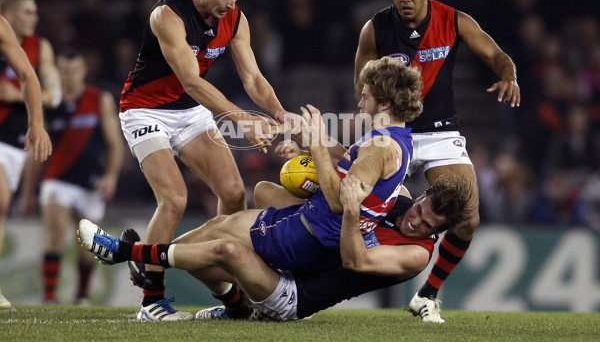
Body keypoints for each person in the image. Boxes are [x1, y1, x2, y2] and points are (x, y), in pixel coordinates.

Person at [88, 57, 469, 320]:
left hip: (310, 234)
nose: (360, 100)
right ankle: (173, 278)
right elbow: (349, 168)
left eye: (366, 95)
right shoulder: (393, 140)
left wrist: (317, 141)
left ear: (383, 100)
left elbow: (339, 200)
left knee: (215, 244)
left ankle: (127, 255)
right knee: (217, 231)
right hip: (310, 226)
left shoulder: (383, 145)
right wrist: (311, 144)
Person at [117, 0, 292, 321]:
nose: (231, 5)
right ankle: (151, 301)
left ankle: (231, 300)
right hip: (144, 110)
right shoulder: (168, 15)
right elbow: (192, 81)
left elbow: (253, 78)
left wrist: (279, 114)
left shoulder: (236, 20)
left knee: (233, 194)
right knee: (175, 198)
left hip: (189, 112)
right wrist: (244, 119)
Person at [353, 0, 521, 323]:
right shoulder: (375, 28)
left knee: (467, 218)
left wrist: (508, 75)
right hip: (394, 132)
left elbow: (496, 55)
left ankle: (426, 295)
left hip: (441, 130)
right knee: (351, 207)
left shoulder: (455, 20)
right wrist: (375, 122)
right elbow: (360, 84)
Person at [78, 173, 473, 321]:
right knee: (236, 214)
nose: (414, 220)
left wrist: (351, 208)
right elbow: (339, 186)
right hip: (297, 258)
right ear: (422, 196)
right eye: (421, 208)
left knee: (226, 251)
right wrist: (312, 173)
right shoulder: (398, 197)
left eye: (426, 224)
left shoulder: (416, 255)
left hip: (295, 296)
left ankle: (129, 255)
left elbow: (355, 257)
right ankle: (234, 309)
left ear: (439, 231)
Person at [28, 51, 123, 304]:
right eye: (65, 71)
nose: (70, 76)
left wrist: (111, 176)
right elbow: (37, 148)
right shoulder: (49, 103)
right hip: (56, 178)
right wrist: (28, 190)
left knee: (86, 244)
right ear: (58, 72)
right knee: (55, 234)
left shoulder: (99, 99)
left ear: (83, 71)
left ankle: (81, 296)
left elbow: (115, 143)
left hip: (90, 182)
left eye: (74, 70)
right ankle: (49, 298)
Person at [0, 0, 57, 309]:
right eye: (27, 12)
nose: (33, 18)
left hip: (10, 139)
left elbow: (30, 78)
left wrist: (37, 123)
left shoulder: (8, 32)